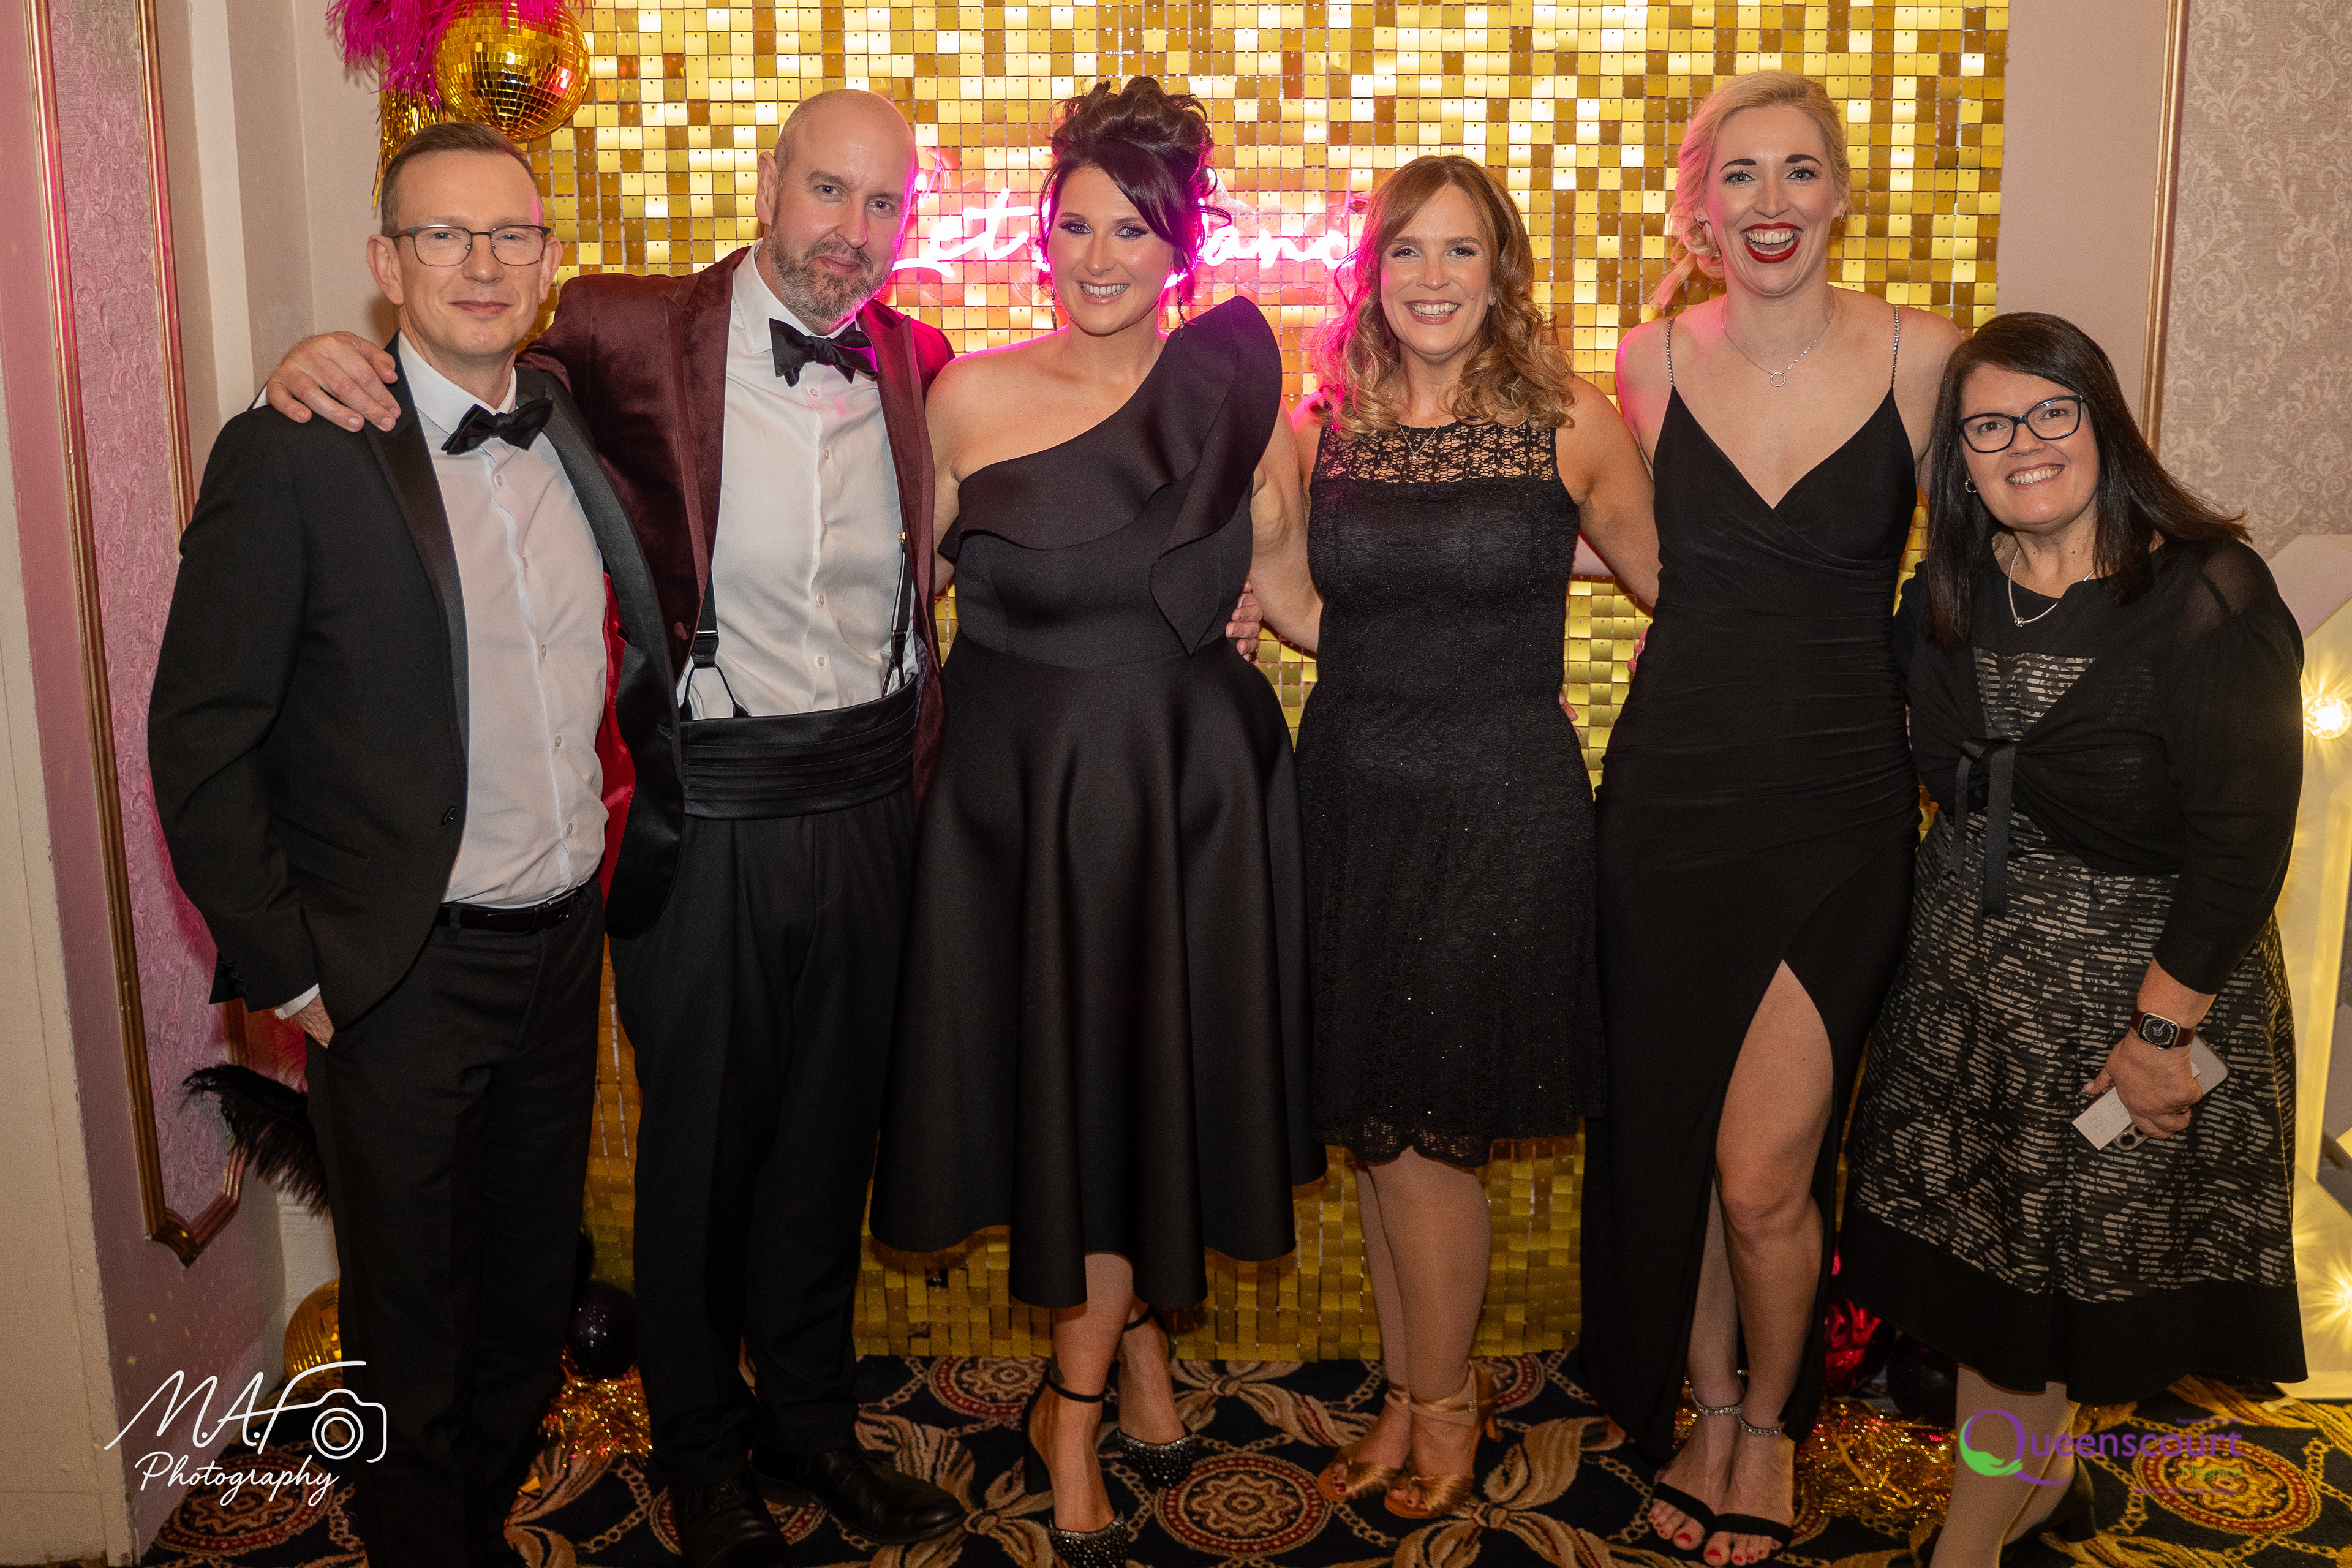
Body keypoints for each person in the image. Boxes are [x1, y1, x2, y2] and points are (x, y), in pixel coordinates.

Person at [263, 89, 968, 1566]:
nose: (852, 231)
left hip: (870, 804)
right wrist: (329, 355)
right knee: (700, 1156)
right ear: (768, 182)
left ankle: (813, 1421)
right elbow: (462, 367)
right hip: (709, 812)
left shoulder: (918, 359)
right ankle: (702, 1453)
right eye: (827, 190)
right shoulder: (624, 326)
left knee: (827, 1143)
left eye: (883, 204)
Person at [150, 123, 670, 1568]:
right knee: (411, 1317)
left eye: (510, 234)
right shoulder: (295, 451)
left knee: (526, 1293)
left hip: (560, 951)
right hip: (397, 972)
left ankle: (469, 1521)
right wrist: (294, 971)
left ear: (549, 260)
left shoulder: (565, 419)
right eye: (442, 234)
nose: (480, 263)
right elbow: (200, 738)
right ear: (386, 262)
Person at [867, 77, 1324, 1567]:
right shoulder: (967, 399)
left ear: (1181, 244)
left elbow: (1301, 596)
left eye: (1135, 227)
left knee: (1138, 1091)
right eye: (1077, 224)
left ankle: (1069, 1410)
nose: (1101, 254)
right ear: (1040, 236)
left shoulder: (1247, 402)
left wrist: (1488, 639)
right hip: (1017, 804)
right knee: (1076, 1095)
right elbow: (895, 594)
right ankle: (1131, 1361)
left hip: (1187, 797)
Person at [1841, 312, 2305, 1567]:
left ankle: (1968, 1546)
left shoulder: (2208, 594)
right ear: (1959, 459)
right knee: (2001, 1296)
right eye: (1989, 426)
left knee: (2035, 1309)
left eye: (2053, 412)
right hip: (1969, 1013)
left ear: (2104, 424)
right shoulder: (1946, 596)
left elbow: (2244, 843)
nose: (2024, 444)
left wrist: (2161, 1035)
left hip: (2132, 1018)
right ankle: (2033, 1493)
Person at [1584, 69, 1962, 1567]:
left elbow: (1995, 553)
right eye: (1738, 176)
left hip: (1845, 805)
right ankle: (1709, 1404)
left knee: (1764, 1173)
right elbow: (1613, 536)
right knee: (1680, 1140)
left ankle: (1771, 1417)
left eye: (1799, 170)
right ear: (1700, 206)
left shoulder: (1925, 356)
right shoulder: (1647, 361)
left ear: (1842, 193)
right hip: (1670, 802)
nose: (1771, 202)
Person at [1287, 154, 1659, 1520]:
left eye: (1460, 251)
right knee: (1383, 1124)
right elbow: (1307, 595)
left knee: (1433, 1129)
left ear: (1501, 270)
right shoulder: (1328, 423)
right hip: (1352, 792)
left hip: (1498, 801)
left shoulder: (1572, 419)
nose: (1432, 278)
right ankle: (1409, 1394)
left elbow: (1672, 584)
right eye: (1406, 251)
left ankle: (1447, 1407)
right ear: (1371, 275)